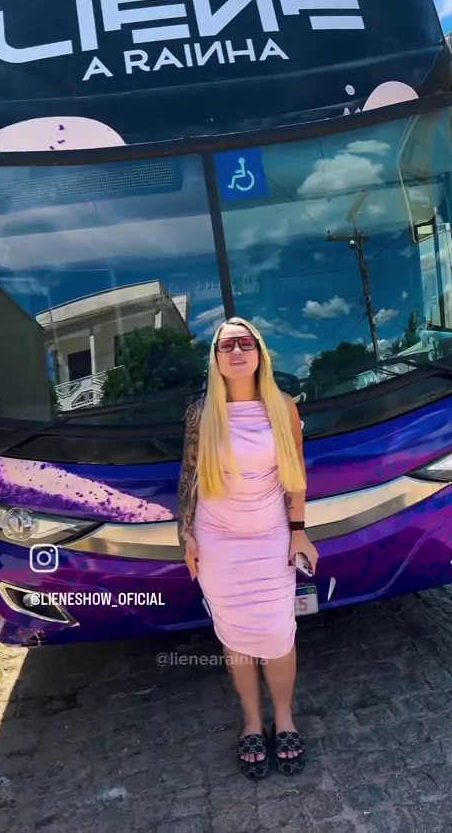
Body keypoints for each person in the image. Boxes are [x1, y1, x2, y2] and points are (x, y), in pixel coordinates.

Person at [177, 316, 319, 779]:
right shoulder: (201, 413)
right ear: (216, 358)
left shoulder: (283, 407)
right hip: (217, 539)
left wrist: (299, 530)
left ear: (259, 353)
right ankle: (253, 722)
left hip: (270, 535)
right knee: (235, 636)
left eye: (245, 343)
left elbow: (296, 475)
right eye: (226, 345)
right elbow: (189, 476)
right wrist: (186, 533)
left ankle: (285, 719)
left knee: (278, 634)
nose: (236, 351)